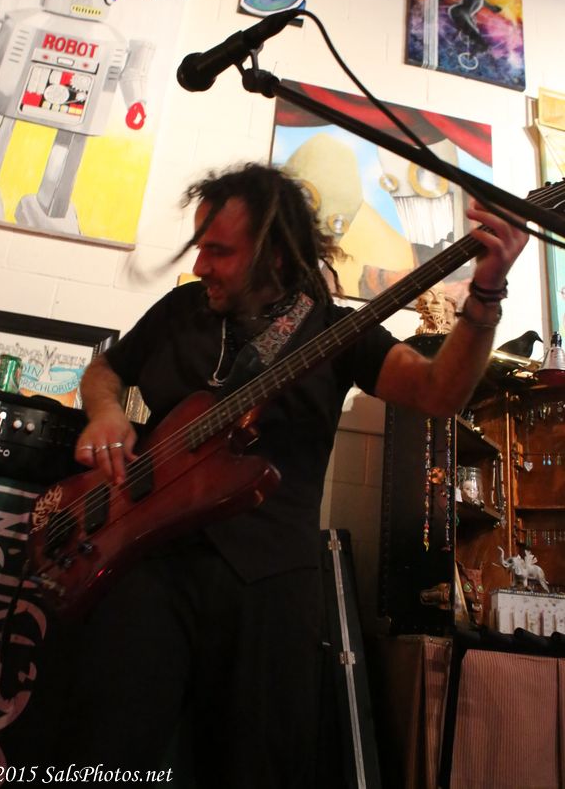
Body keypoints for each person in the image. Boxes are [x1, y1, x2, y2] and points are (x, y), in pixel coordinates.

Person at [60, 162, 526, 787]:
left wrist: (486, 295)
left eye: (219, 251)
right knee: (99, 756)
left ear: (274, 255)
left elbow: (438, 391)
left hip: (269, 583)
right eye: (200, 247)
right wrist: (107, 412)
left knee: (258, 767)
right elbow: (105, 370)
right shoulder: (181, 310)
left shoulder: (335, 330)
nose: (200, 265)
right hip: (149, 564)